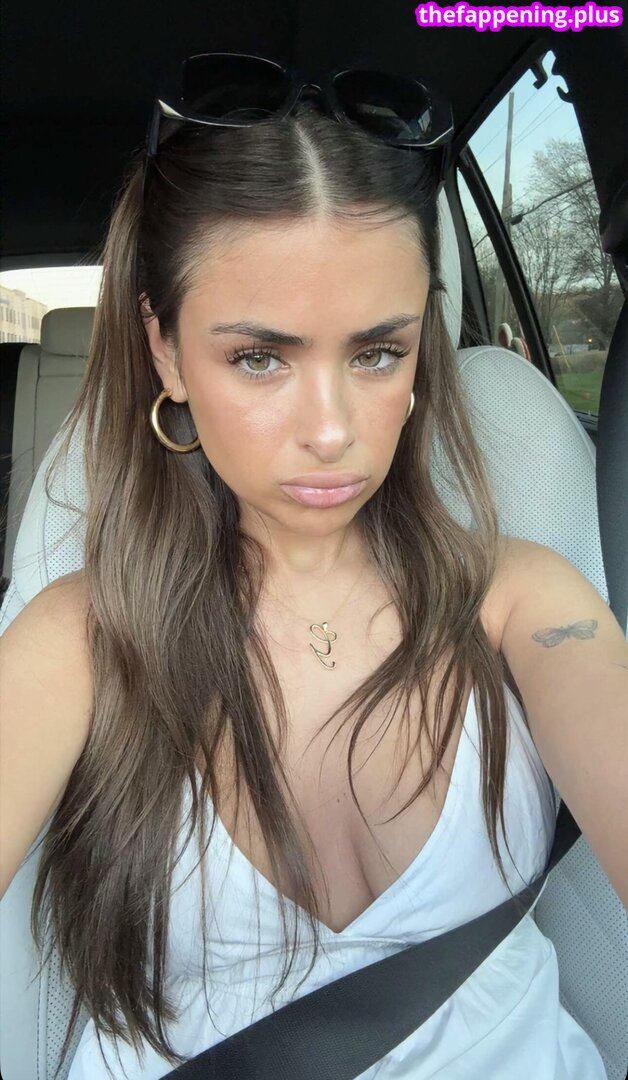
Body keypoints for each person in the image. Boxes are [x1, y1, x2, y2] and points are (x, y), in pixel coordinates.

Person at [1, 54, 625, 1080]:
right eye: (259, 358)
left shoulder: (522, 602)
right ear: (166, 352)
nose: (332, 431)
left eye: (377, 353)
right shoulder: (80, 639)